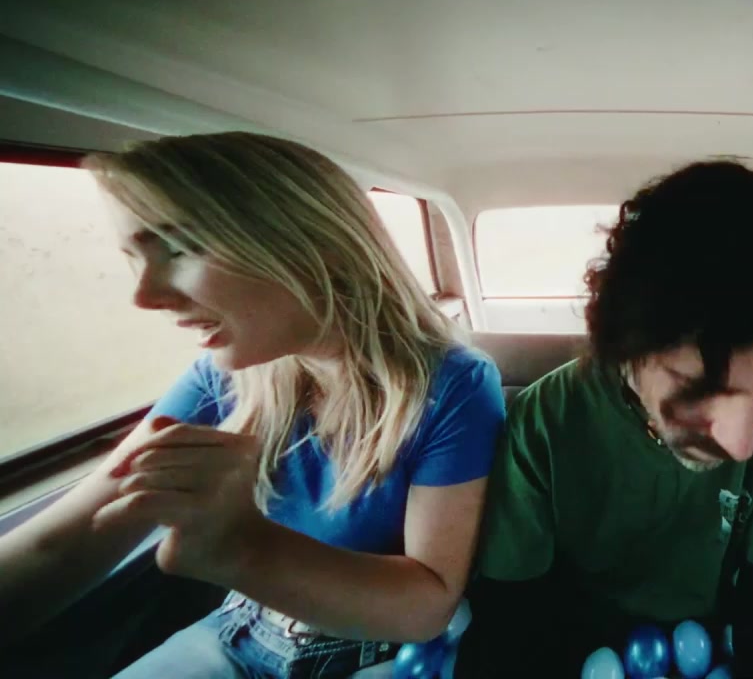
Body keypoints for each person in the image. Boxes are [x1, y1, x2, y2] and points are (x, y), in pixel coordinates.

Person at [0, 132, 505, 678]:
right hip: (242, 627)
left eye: (181, 247)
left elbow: (427, 604)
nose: (144, 297)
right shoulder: (222, 381)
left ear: (314, 244)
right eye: (134, 258)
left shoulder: (454, 383)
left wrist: (239, 546)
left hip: (377, 652)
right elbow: (63, 541)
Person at [453, 161, 753, 678]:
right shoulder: (542, 424)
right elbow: (512, 624)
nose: (740, 443)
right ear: (625, 343)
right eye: (700, 390)